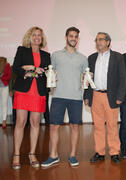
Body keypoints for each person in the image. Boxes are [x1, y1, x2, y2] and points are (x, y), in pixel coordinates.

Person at [41, 27, 88, 168]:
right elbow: (51, 74)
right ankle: (53, 155)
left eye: (75, 36)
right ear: (66, 37)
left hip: (75, 98)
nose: (73, 38)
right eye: (71, 36)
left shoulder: (83, 59)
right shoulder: (55, 55)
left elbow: (86, 79)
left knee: (74, 126)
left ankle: (72, 155)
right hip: (58, 96)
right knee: (54, 126)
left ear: (78, 39)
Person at [84, 32, 126, 163]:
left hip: (111, 96)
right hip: (96, 95)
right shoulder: (91, 58)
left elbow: (123, 78)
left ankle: (114, 152)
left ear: (108, 42)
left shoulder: (117, 57)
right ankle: (99, 152)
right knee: (98, 126)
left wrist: (120, 96)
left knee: (112, 125)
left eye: (101, 39)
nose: (98, 42)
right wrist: (87, 95)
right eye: (97, 40)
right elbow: (87, 78)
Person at [12, 26, 51, 169]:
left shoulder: (46, 55)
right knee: (21, 122)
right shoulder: (22, 50)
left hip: (38, 92)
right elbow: (15, 67)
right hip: (23, 91)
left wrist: (51, 77)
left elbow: (48, 73)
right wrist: (26, 71)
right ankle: (16, 155)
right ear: (30, 37)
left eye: (39, 35)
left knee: (35, 123)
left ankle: (32, 154)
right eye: (34, 35)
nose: (37, 37)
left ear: (42, 38)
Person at [0, 57, 11, 129]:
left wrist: (1, 77)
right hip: (4, 86)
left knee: (4, 104)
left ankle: (4, 121)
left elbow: (9, 77)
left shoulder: (7, 66)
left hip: (4, 87)